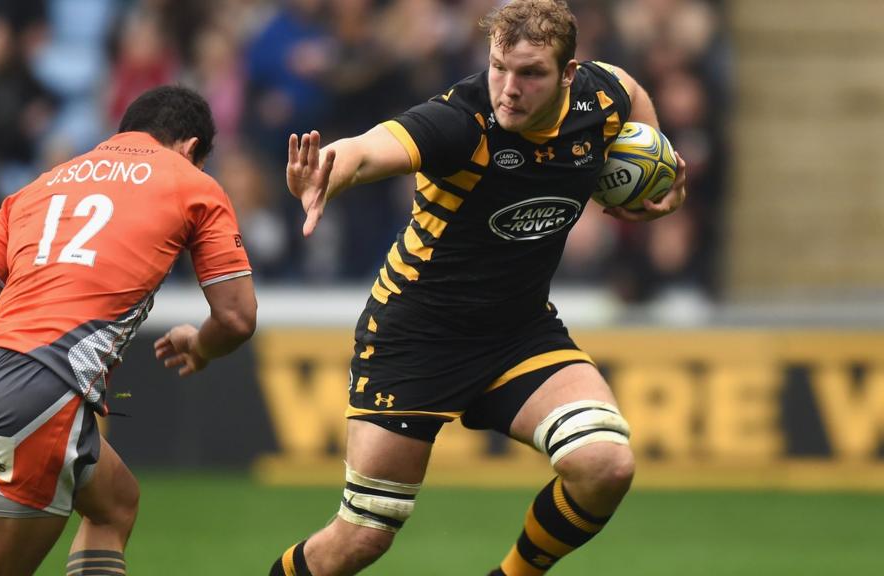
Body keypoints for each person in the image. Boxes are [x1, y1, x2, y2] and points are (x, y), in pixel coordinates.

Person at [269, 1, 687, 575]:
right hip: (415, 335)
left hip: (518, 331)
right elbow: (369, 150)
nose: (508, 89)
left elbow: (632, 90)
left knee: (605, 464)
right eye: (499, 67)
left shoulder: (601, 97)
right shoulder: (461, 121)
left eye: (531, 73)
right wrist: (327, 172)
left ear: (569, 74)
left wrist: (655, 161)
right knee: (361, 539)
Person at [0, 85, 257, 576]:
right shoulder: (190, 182)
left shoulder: (37, 188)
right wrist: (201, 346)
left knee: (116, 504)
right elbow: (236, 317)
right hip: (46, 388)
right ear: (190, 149)